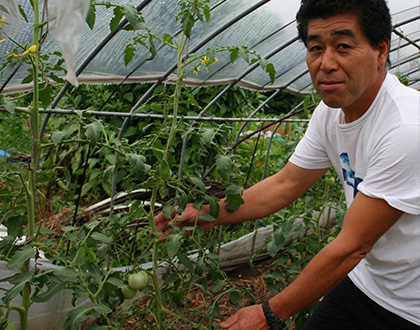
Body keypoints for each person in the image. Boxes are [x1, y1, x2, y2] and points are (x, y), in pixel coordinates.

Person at [154, 0, 420, 329]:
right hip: (367, 282)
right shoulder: (330, 113)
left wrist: (270, 313)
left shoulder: (407, 128)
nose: (326, 63)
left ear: (381, 51)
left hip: (411, 306)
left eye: (343, 46)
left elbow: (352, 246)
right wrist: (209, 212)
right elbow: (286, 184)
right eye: (315, 48)